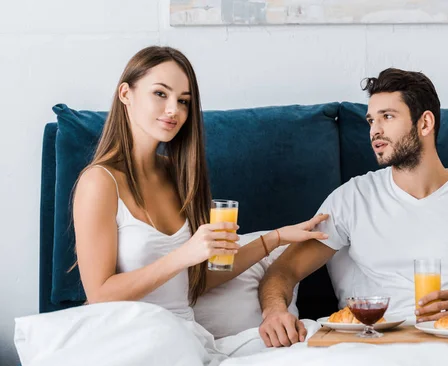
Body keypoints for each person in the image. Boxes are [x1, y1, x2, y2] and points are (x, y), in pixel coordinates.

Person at [258, 68, 448, 348]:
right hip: (375, 350)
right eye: (370, 121)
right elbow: (283, 271)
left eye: (387, 117)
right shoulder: (352, 199)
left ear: (425, 123)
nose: (374, 130)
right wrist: (274, 312)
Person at [72, 46, 329, 322]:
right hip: (130, 333)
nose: (173, 110)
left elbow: (200, 280)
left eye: (183, 101)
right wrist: (184, 255)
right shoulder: (99, 182)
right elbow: (99, 294)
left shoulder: (177, 175)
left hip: (183, 333)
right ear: (126, 94)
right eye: (160, 93)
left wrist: (275, 238)